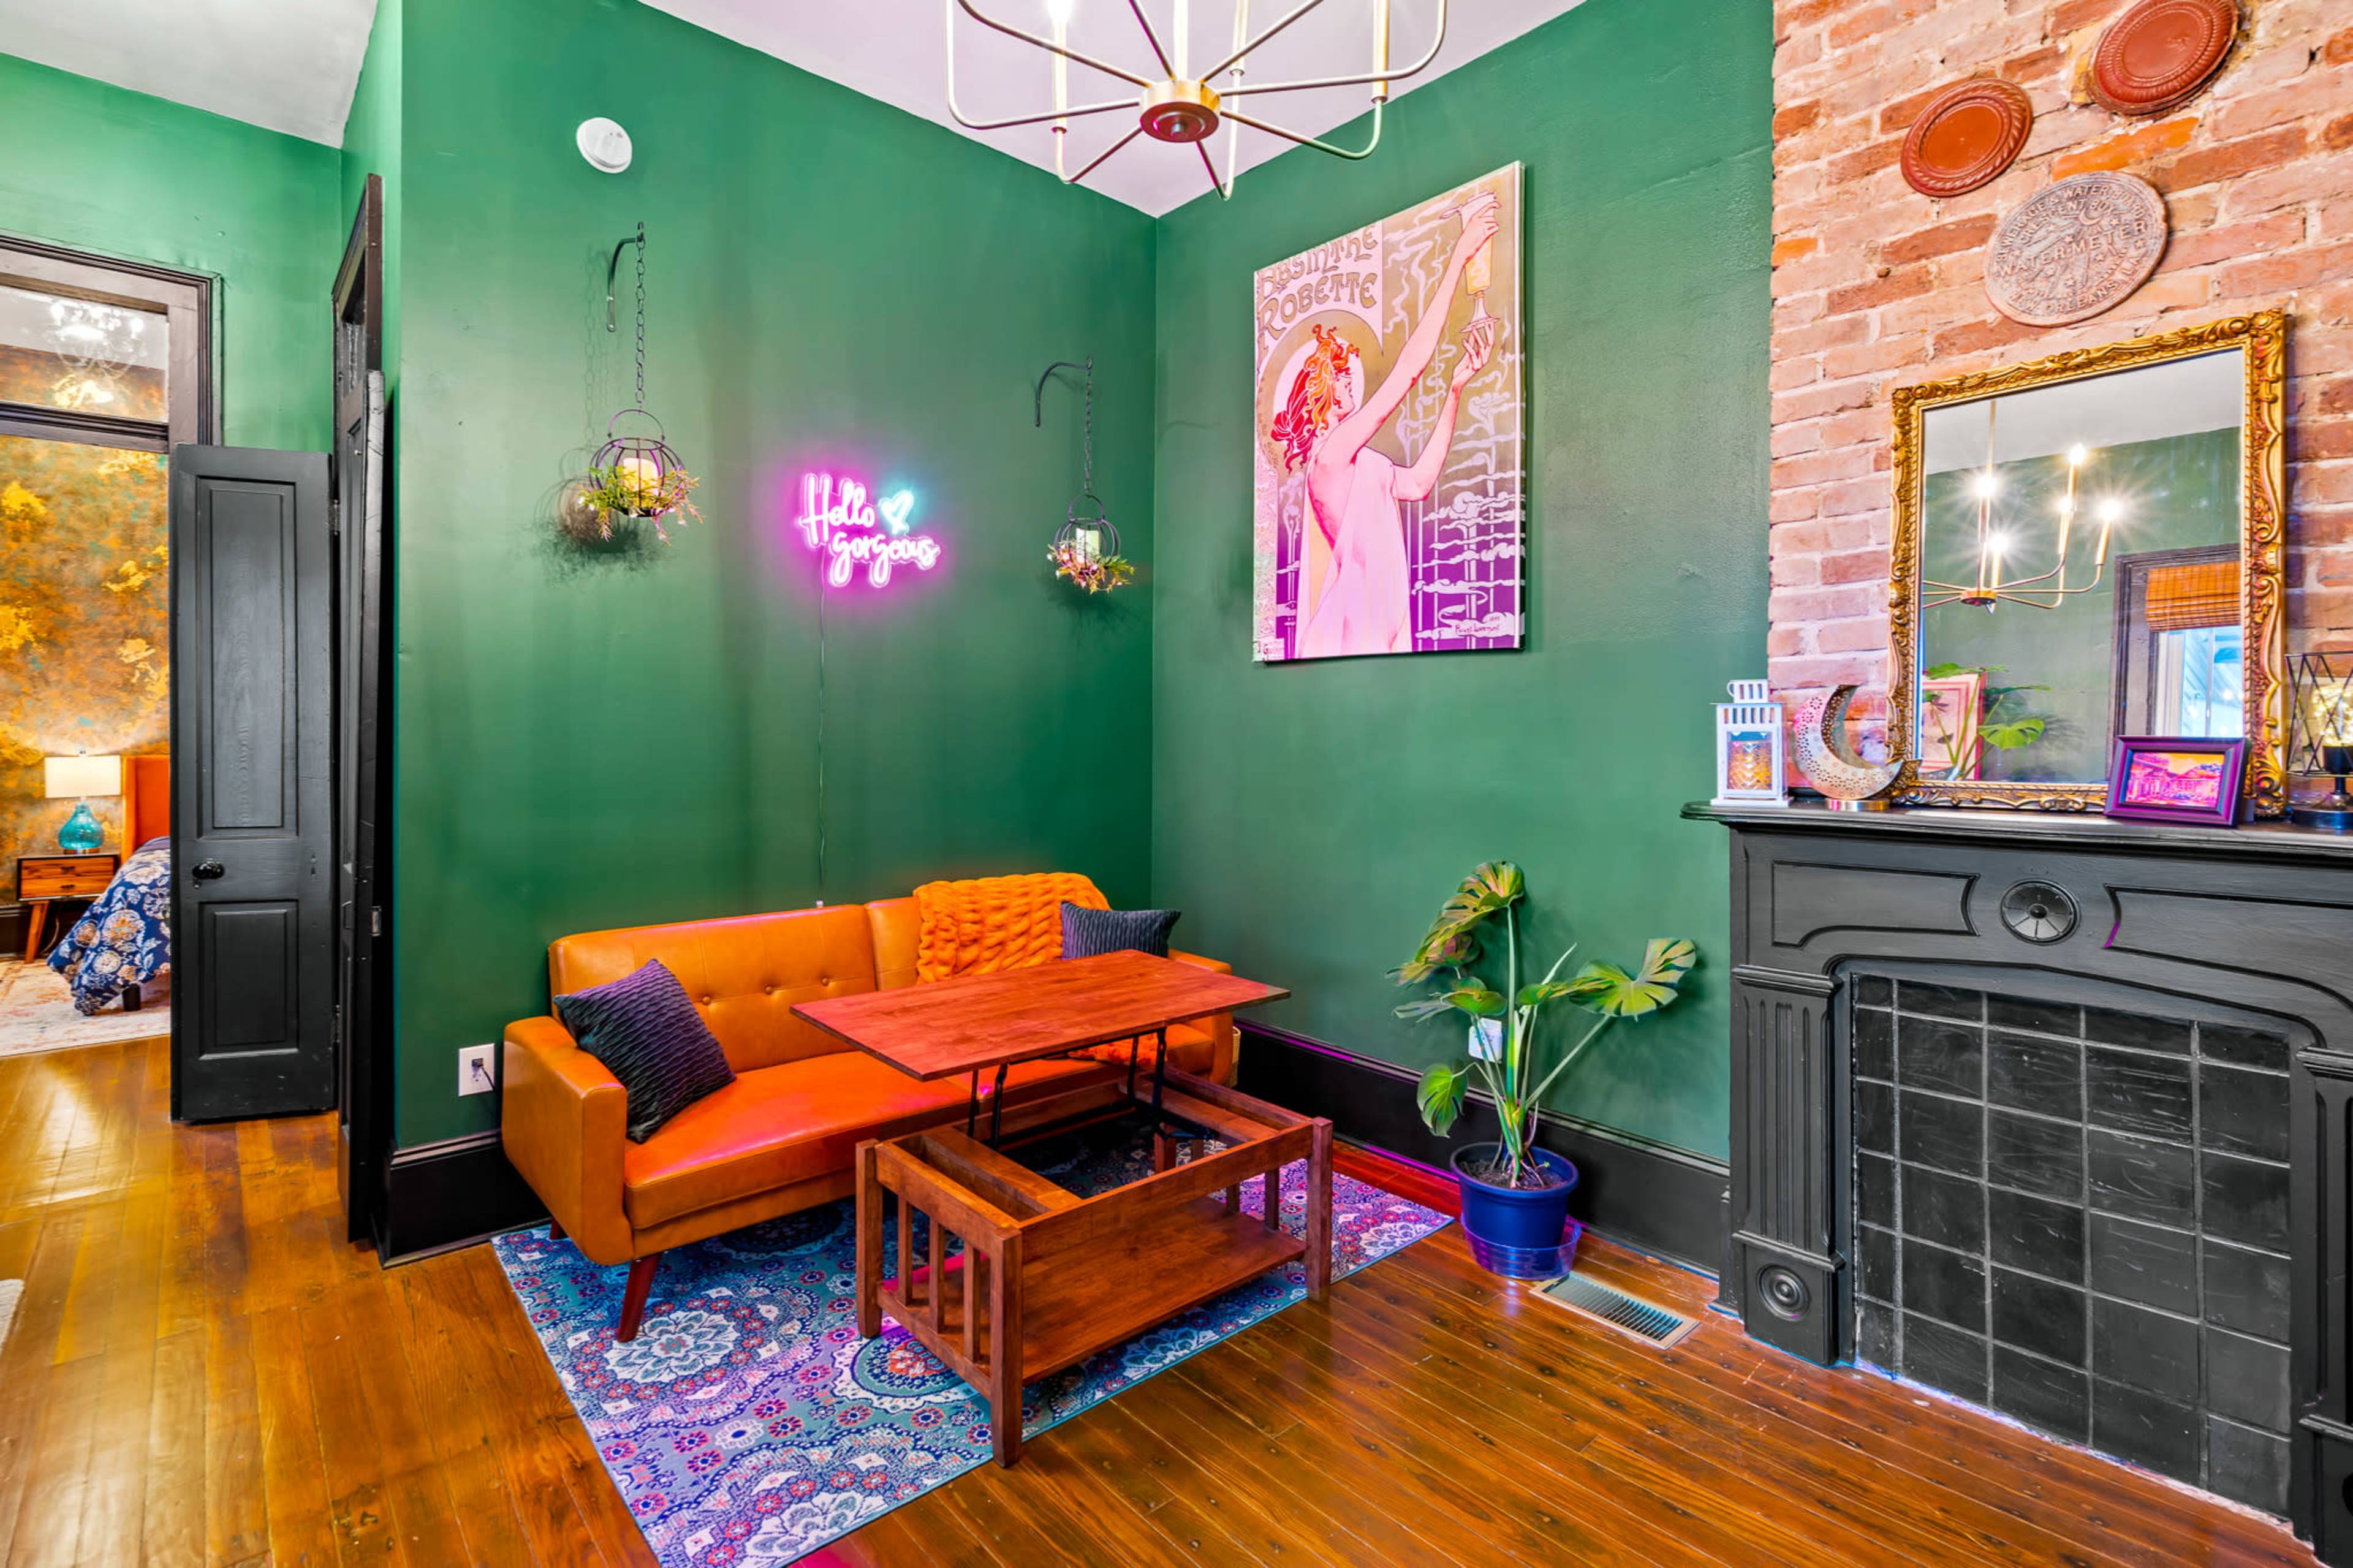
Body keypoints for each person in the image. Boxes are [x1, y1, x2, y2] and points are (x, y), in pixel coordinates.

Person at [1271, 192, 1498, 658]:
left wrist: (1454, 390)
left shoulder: (1361, 460)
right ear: (1321, 386)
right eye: (1341, 371)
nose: (1351, 376)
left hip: (1385, 631)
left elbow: (1416, 484)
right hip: (1354, 628)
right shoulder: (1330, 457)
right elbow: (1407, 373)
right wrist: (1458, 258)